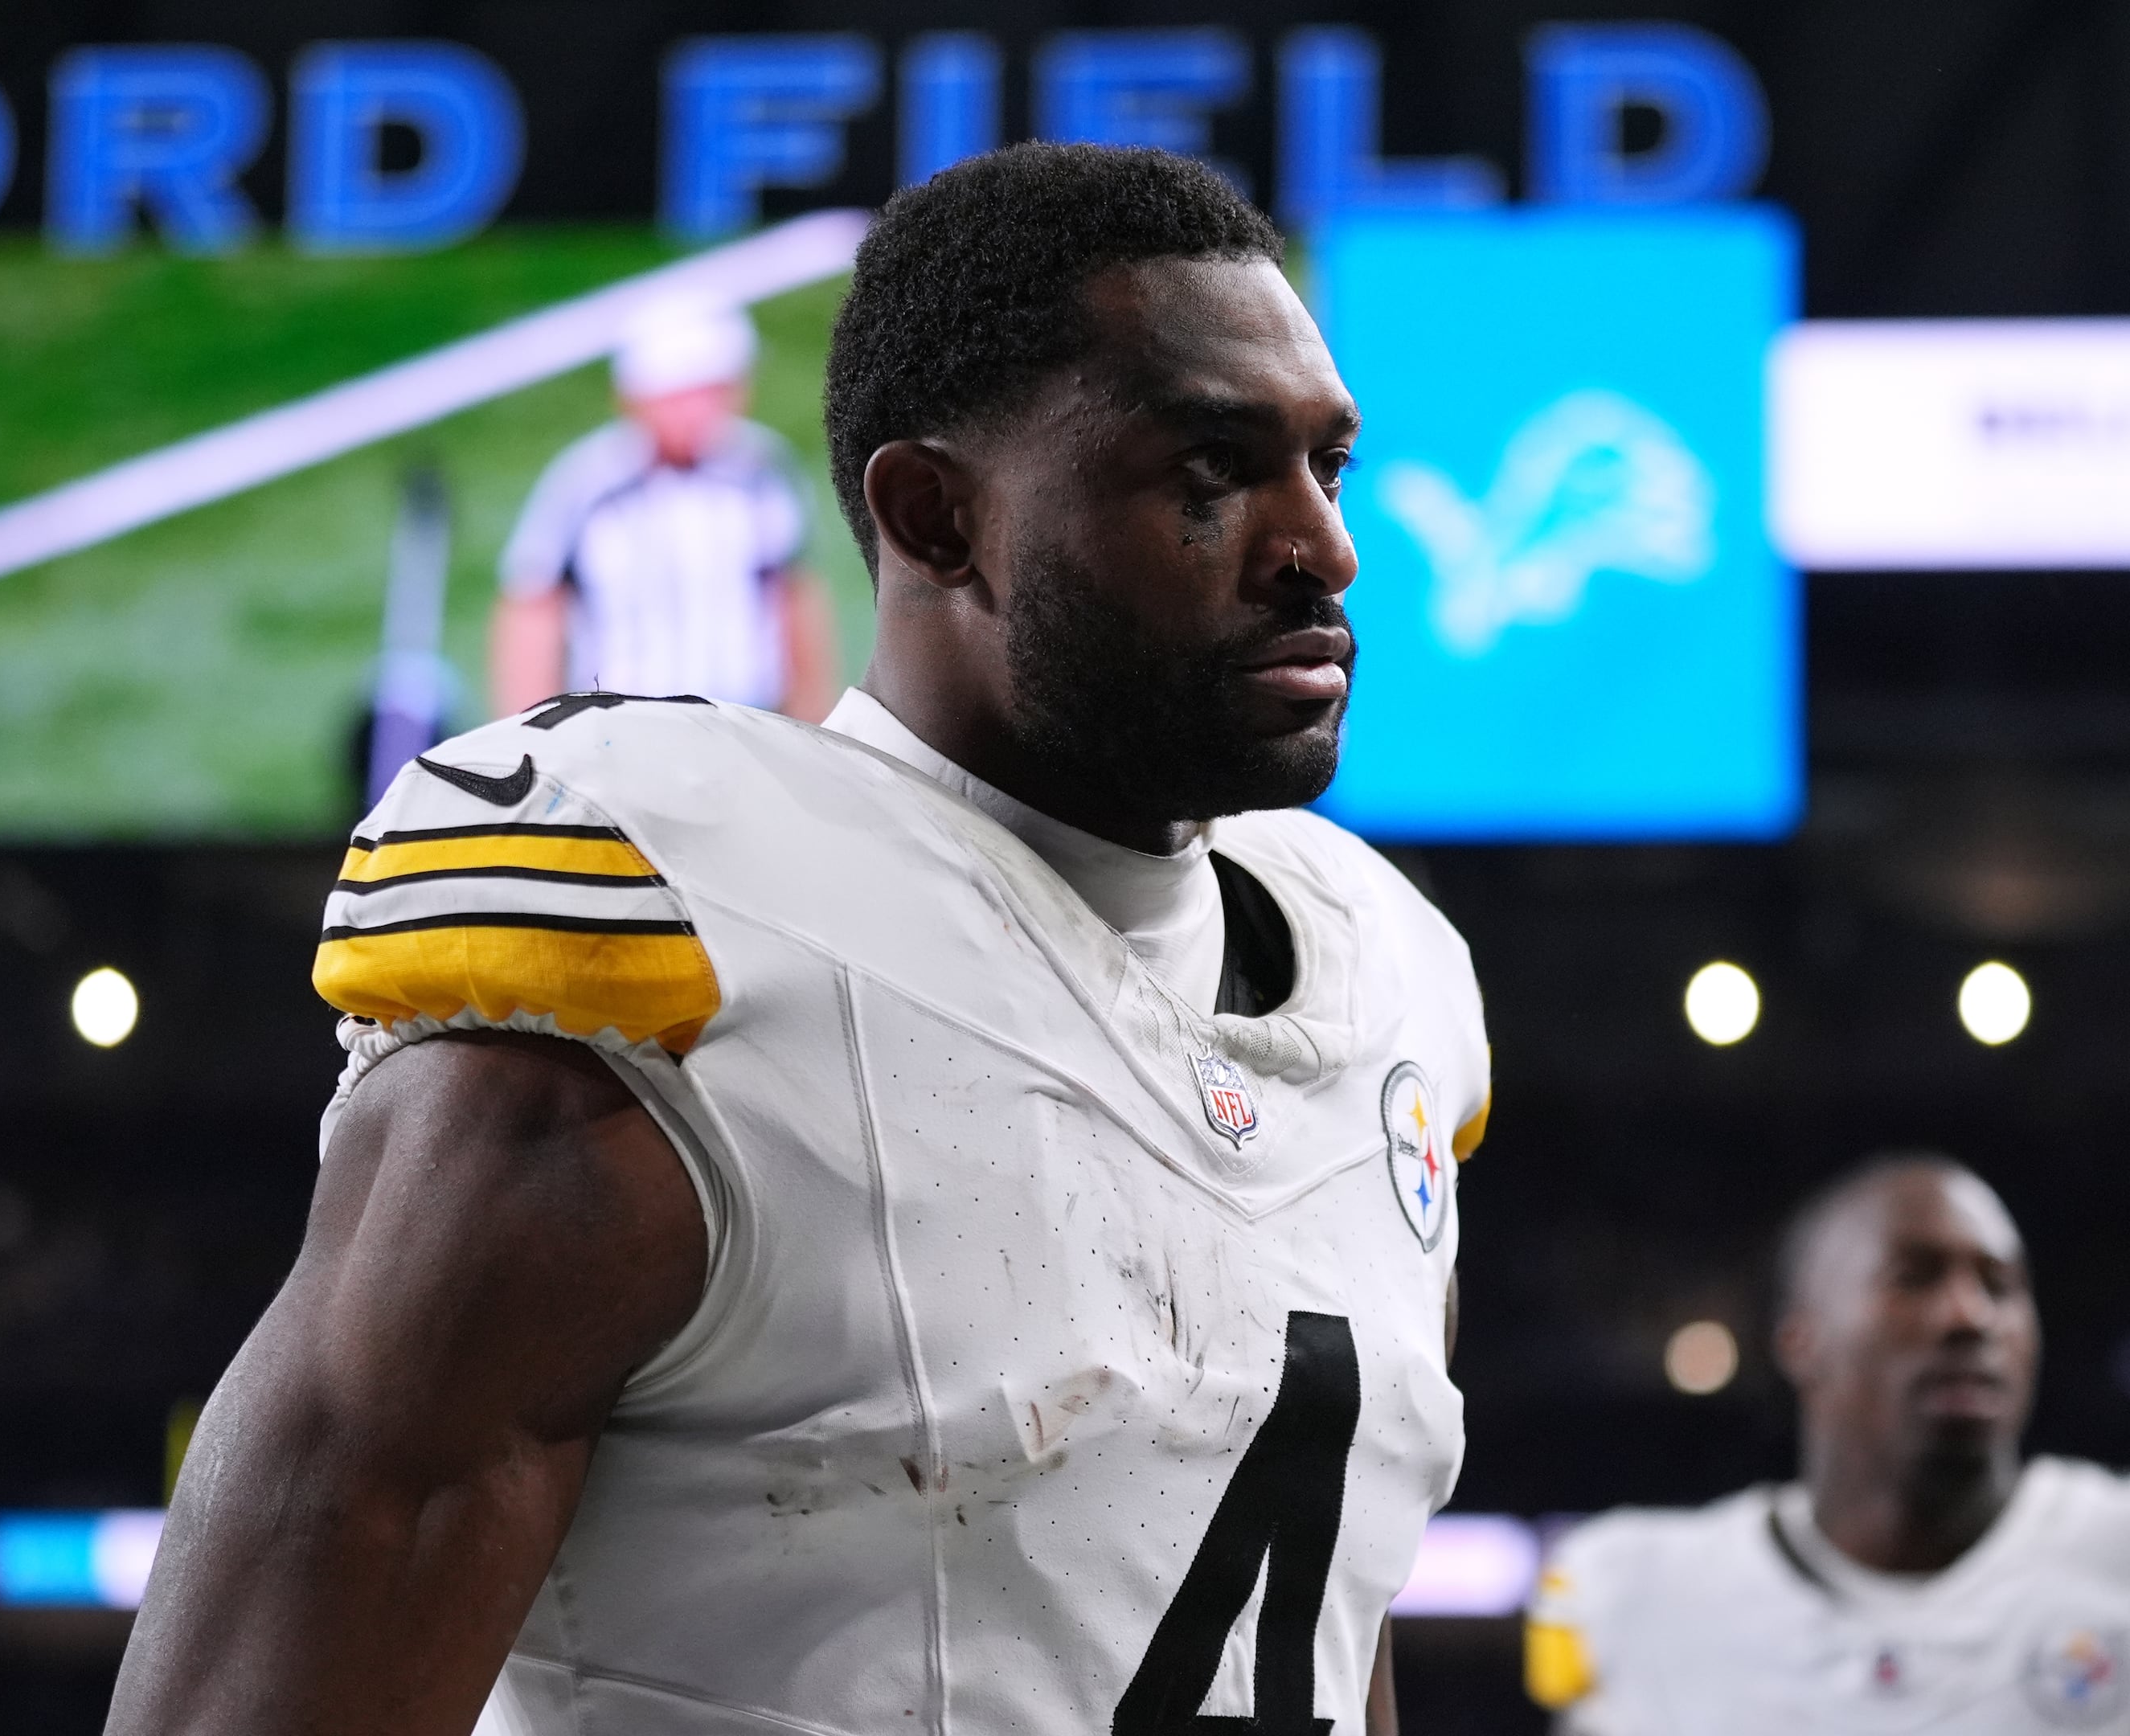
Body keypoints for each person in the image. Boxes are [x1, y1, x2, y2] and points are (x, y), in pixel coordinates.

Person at [104, 143, 1491, 1736]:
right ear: (936, 517)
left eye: (1330, 469)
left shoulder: (1392, 989)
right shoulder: (679, 946)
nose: (1322, 547)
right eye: (1209, 474)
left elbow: (1313, 1633)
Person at [1526, 1157, 2130, 1735]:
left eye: (2000, 1285)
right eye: (1915, 1277)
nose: (1970, 1317)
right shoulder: (1642, 1599)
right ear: (1802, 1340)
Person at [489, 294, 838, 721]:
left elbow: (793, 598)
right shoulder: (587, 482)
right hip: (619, 725)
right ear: (637, 397)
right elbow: (533, 610)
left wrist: (812, 721)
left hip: (746, 721)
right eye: (684, 396)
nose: (700, 413)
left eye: (715, 392)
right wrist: (529, 730)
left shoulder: (761, 470)